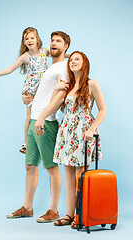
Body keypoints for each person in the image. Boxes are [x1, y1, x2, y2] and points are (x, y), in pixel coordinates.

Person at [6, 31, 71, 222]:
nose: (53, 43)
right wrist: (28, 98)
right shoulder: (48, 67)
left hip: (46, 122)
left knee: (51, 168)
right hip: (34, 119)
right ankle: (27, 207)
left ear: (65, 46)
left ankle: (54, 210)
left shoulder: (64, 68)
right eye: (52, 40)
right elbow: (43, 92)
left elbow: (61, 97)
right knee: (30, 166)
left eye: (58, 41)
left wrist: (43, 116)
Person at [36, 51, 107, 227]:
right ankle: (69, 215)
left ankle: (80, 215)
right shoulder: (68, 86)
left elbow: (103, 110)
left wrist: (91, 129)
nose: (73, 61)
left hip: (83, 131)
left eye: (77, 59)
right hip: (67, 132)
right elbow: (53, 106)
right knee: (68, 174)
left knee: (80, 175)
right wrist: (54, 92)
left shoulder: (92, 84)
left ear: (85, 63)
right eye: (72, 59)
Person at [0, 27, 49, 154]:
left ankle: (41, 140)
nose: (29, 40)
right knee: (29, 116)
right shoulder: (25, 57)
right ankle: (26, 143)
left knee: (43, 113)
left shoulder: (44, 52)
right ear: (24, 42)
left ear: (37, 39)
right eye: (26, 39)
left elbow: (58, 54)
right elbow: (10, 69)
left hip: (43, 88)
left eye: (32, 38)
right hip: (31, 88)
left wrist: (72, 55)